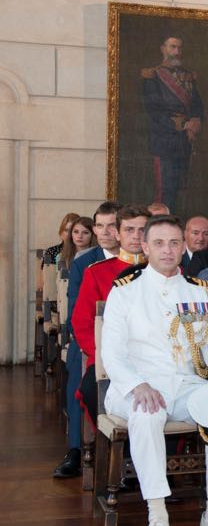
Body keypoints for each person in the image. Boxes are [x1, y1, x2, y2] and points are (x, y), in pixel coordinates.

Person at [101, 215, 208, 526]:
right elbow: (113, 353)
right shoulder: (126, 292)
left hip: (185, 386)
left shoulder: (198, 290)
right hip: (133, 387)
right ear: (145, 247)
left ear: (184, 246)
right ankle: (157, 517)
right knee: (147, 413)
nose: (168, 250)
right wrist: (138, 385)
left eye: (174, 242)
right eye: (159, 243)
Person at [52, 201, 121, 479]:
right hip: (91, 340)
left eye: (111, 225)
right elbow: (77, 313)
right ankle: (75, 450)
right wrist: (96, 350)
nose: (105, 232)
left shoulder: (140, 258)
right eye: (100, 225)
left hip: (129, 343)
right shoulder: (84, 262)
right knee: (79, 373)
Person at [73, 204, 152, 429]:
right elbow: (83, 324)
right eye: (129, 230)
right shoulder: (96, 272)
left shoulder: (169, 272)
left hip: (155, 359)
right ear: (118, 234)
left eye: (142, 230)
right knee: (91, 389)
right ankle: (118, 453)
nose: (136, 236)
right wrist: (105, 359)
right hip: (108, 359)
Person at [142, 35, 204, 209]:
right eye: (172, 47)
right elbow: (153, 110)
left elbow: (197, 104)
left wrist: (196, 121)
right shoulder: (152, 76)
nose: (177, 52)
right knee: (164, 189)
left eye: (179, 48)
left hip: (185, 140)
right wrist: (183, 124)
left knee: (181, 188)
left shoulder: (188, 76)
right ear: (163, 49)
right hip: (164, 141)